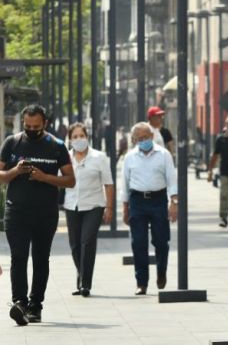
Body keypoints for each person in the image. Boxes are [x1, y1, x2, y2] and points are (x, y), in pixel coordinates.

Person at [0, 105, 75, 325]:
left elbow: (70, 180)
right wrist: (15, 171)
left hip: (46, 212)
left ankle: (35, 305)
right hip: (17, 212)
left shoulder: (57, 146)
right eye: (28, 126)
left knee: (41, 259)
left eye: (36, 126)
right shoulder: (12, 143)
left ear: (45, 124)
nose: (32, 129)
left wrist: (44, 177)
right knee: (19, 256)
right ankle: (19, 303)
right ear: (23, 123)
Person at [122, 122, 178, 295]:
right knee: (138, 242)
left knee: (161, 241)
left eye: (146, 137)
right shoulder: (130, 157)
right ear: (134, 140)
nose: (143, 140)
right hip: (137, 201)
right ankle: (141, 282)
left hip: (158, 199)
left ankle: (161, 272)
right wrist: (125, 208)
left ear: (152, 136)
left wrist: (174, 203)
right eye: (139, 138)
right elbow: (125, 184)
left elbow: (171, 180)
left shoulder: (164, 155)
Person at [63, 123, 114, 297]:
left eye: (81, 135)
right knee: (75, 245)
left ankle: (85, 284)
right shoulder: (65, 158)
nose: (79, 139)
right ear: (70, 140)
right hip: (72, 205)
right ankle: (81, 275)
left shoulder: (99, 157)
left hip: (94, 205)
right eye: (75, 136)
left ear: (87, 137)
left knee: (87, 241)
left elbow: (108, 183)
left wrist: (109, 207)